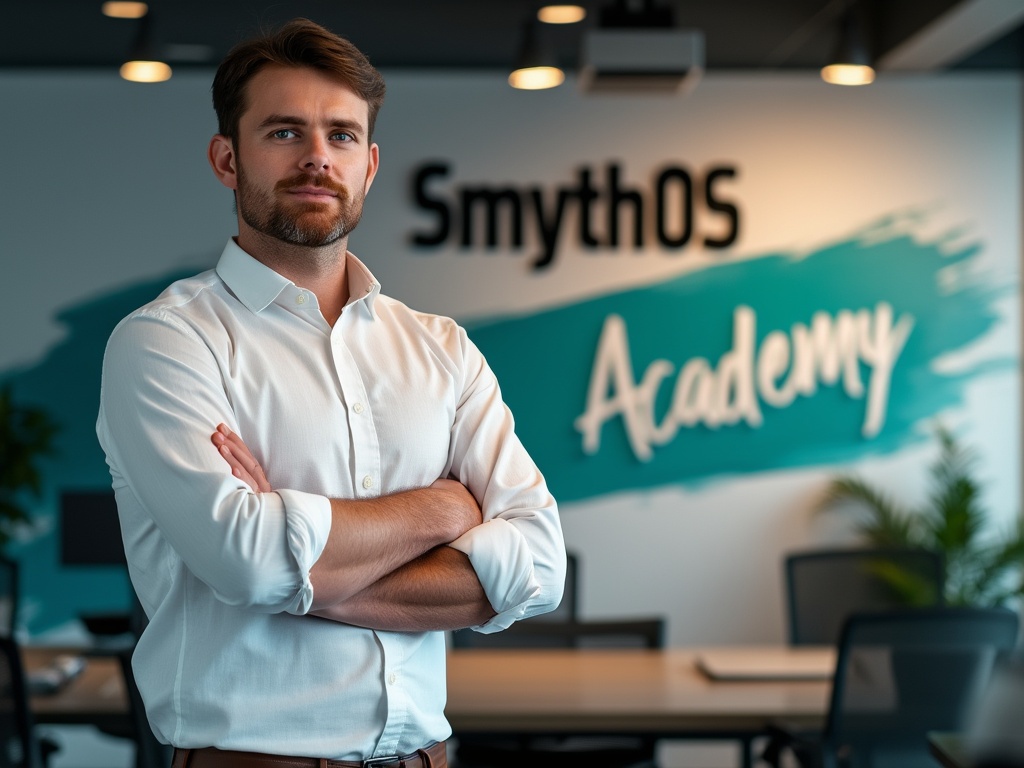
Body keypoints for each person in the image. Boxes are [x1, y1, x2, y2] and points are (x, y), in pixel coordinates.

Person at [96, 17, 565, 768]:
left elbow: (538, 565)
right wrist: (440, 508)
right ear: (226, 157)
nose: (318, 157)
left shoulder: (440, 349)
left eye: (341, 136)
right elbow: (244, 561)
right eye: (284, 132)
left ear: (370, 164)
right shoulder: (165, 343)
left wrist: (294, 561)